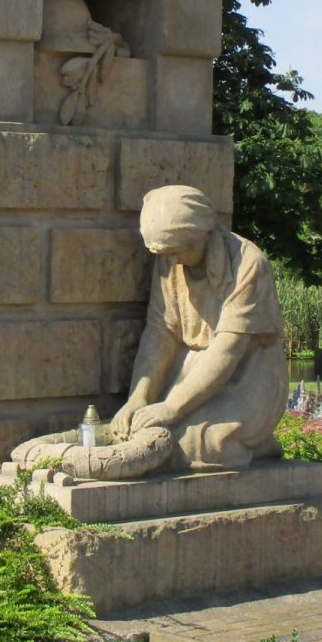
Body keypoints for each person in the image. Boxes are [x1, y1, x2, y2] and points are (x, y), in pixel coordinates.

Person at [110, 184, 288, 467]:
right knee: (144, 432)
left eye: (179, 251)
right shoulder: (169, 260)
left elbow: (228, 351)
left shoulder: (247, 264)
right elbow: (161, 332)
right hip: (190, 372)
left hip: (249, 373)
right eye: (165, 254)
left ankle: (257, 444)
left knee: (197, 443)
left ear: (202, 234)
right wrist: (138, 398)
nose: (173, 260)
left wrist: (172, 407)